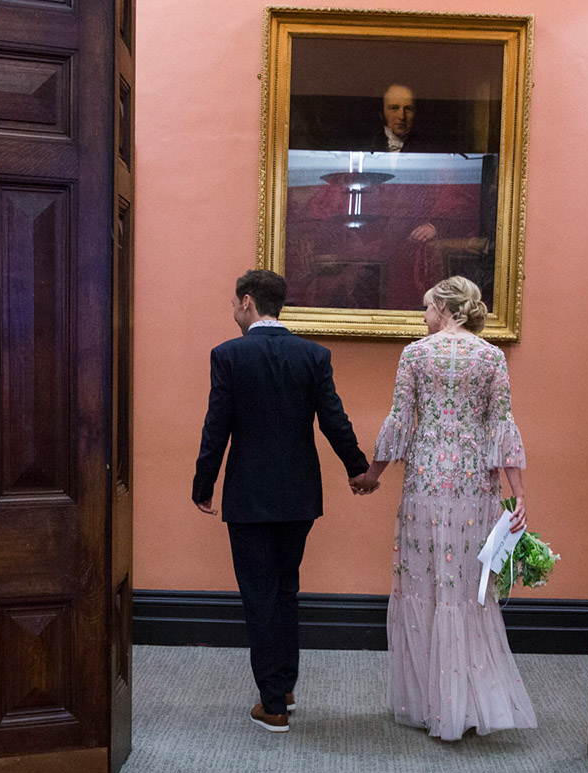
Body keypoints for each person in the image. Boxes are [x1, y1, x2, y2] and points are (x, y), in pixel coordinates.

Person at [354, 275, 537, 740]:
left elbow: (400, 420)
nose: (423, 316)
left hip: (426, 484)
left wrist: (372, 475)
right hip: (474, 485)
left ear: (446, 308)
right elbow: (501, 425)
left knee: (428, 586)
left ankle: (431, 705)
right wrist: (517, 498)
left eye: (427, 308)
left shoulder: (416, 353)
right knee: (468, 590)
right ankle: (470, 703)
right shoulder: (490, 356)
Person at [193, 269, 375, 733]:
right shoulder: (313, 354)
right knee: (286, 588)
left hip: (250, 495)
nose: (233, 311)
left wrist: (203, 483)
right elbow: (333, 419)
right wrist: (357, 468)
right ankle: (286, 686)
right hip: (299, 495)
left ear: (248, 302)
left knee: (259, 593)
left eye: (235, 303)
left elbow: (218, 426)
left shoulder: (229, 355)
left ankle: (272, 704)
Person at [368, 83, 430, 154]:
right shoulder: (368, 143)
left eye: (408, 109)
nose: (402, 117)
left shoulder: (428, 146)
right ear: (381, 113)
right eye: (394, 108)